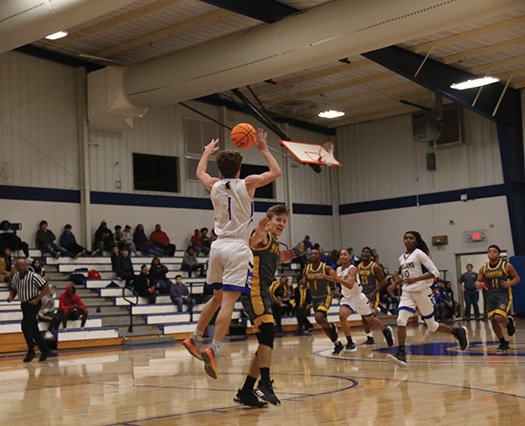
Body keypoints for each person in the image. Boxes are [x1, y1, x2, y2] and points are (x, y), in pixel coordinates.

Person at [182, 128, 281, 381]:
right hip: (238, 247)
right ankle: (214, 349)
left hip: (216, 247)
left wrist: (205, 152)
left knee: (216, 299)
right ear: (240, 168)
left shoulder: (213, 185)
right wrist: (263, 148)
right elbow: (276, 172)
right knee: (228, 302)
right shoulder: (247, 183)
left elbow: (199, 173)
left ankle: (195, 338)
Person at [236, 204, 295, 407]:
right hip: (254, 292)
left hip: (264, 293)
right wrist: (258, 232)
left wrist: (280, 260)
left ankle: (245, 392)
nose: (281, 224)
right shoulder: (261, 236)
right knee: (268, 334)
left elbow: (265, 259)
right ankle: (264, 384)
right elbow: (252, 245)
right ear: (268, 221)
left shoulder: (276, 243)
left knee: (264, 342)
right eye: (278, 220)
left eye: (284, 221)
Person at [387, 231, 469, 367]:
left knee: (432, 326)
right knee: (401, 319)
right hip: (407, 292)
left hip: (422, 292)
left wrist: (416, 279)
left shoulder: (419, 253)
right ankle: (401, 353)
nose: (408, 240)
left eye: (411, 238)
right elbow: (406, 275)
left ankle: (457, 332)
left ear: (416, 241)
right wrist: (396, 283)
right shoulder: (401, 258)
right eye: (405, 238)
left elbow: (435, 273)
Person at [322, 249, 394, 353]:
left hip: (358, 297)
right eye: (341, 255)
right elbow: (336, 279)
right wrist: (326, 277)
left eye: (345, 254)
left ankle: (385, 330)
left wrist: (337, 279)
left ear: (349, 257)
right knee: (342, 316)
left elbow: (350, 285)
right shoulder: (338, 269)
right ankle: (350, 342)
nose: (342, 256)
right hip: (347, 298)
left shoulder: (352, 269)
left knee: (370, 320)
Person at [475, 245, 520, 352]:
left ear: (498, 254)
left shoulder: (506, 265)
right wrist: (478, 284)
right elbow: (478, 281)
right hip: (490, 295)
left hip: (503, 294)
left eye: (494, 251)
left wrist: (510, 283)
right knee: (492, 320)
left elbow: (517, 278)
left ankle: (508, 322)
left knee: (499, 317)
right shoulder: (483, 268)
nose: (491, 253)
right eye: (489, 251)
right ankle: (503, 342)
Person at [7, 258, 51, 362]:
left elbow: (46, 288)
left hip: (34, 303)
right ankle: (45, 350)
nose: (21, 267)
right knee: (34, 329)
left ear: (26, 266)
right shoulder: (15, 277)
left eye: (23, 265)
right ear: (16, 267)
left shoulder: (34, 276)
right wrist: (11, 297)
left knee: (25, 325)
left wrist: (37, 299)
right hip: (24, 304)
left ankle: (31, 350)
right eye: (19, 266)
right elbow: (13, 289)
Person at [302, 249, 342, 355]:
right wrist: (302, 282)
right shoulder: (306, 269)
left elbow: (336, 279)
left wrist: (326, 277)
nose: (313, 255)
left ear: (320, 256)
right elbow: (304, 283)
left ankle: (332, 327)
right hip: (314, 298)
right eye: (311, 254)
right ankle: (337, 344)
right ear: (308, 257)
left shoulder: (326, 268)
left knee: (318, 317)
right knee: (322, 324)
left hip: (325, 297)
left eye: (316, 253)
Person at [357, 246, 387, 345]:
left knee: (370, 316)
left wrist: (374, 292)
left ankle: (379, 309)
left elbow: (384, 281)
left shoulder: (375, 267)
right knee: (364, 318)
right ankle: (369, 338)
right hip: (362, 295)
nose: (365, 254)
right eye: (363, 252)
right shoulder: (359, 266)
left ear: (370, 255)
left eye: (367, 252)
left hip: (372, 295)